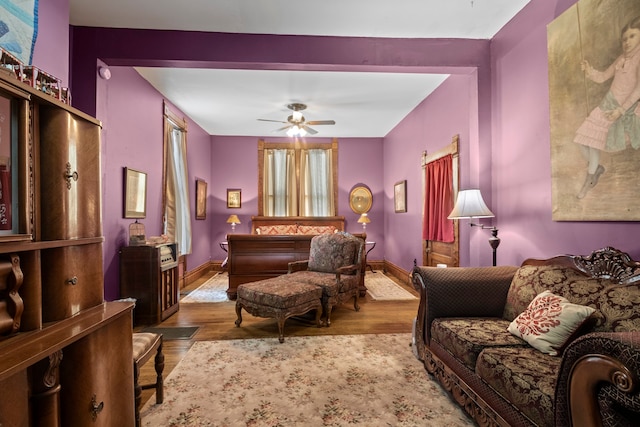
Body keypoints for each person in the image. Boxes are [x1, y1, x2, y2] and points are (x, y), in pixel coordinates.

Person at [573, 16, 640, 199]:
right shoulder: (621, 58)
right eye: (624, 38)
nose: (627, 41)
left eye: (632, 36)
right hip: (606, 105)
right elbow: (603, 77)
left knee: (594, 145)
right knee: (581, 141)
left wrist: (621, 110)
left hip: (621, 109)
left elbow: (638, 88)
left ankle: (589, 180)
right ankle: (596, 169)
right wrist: (589, 70)